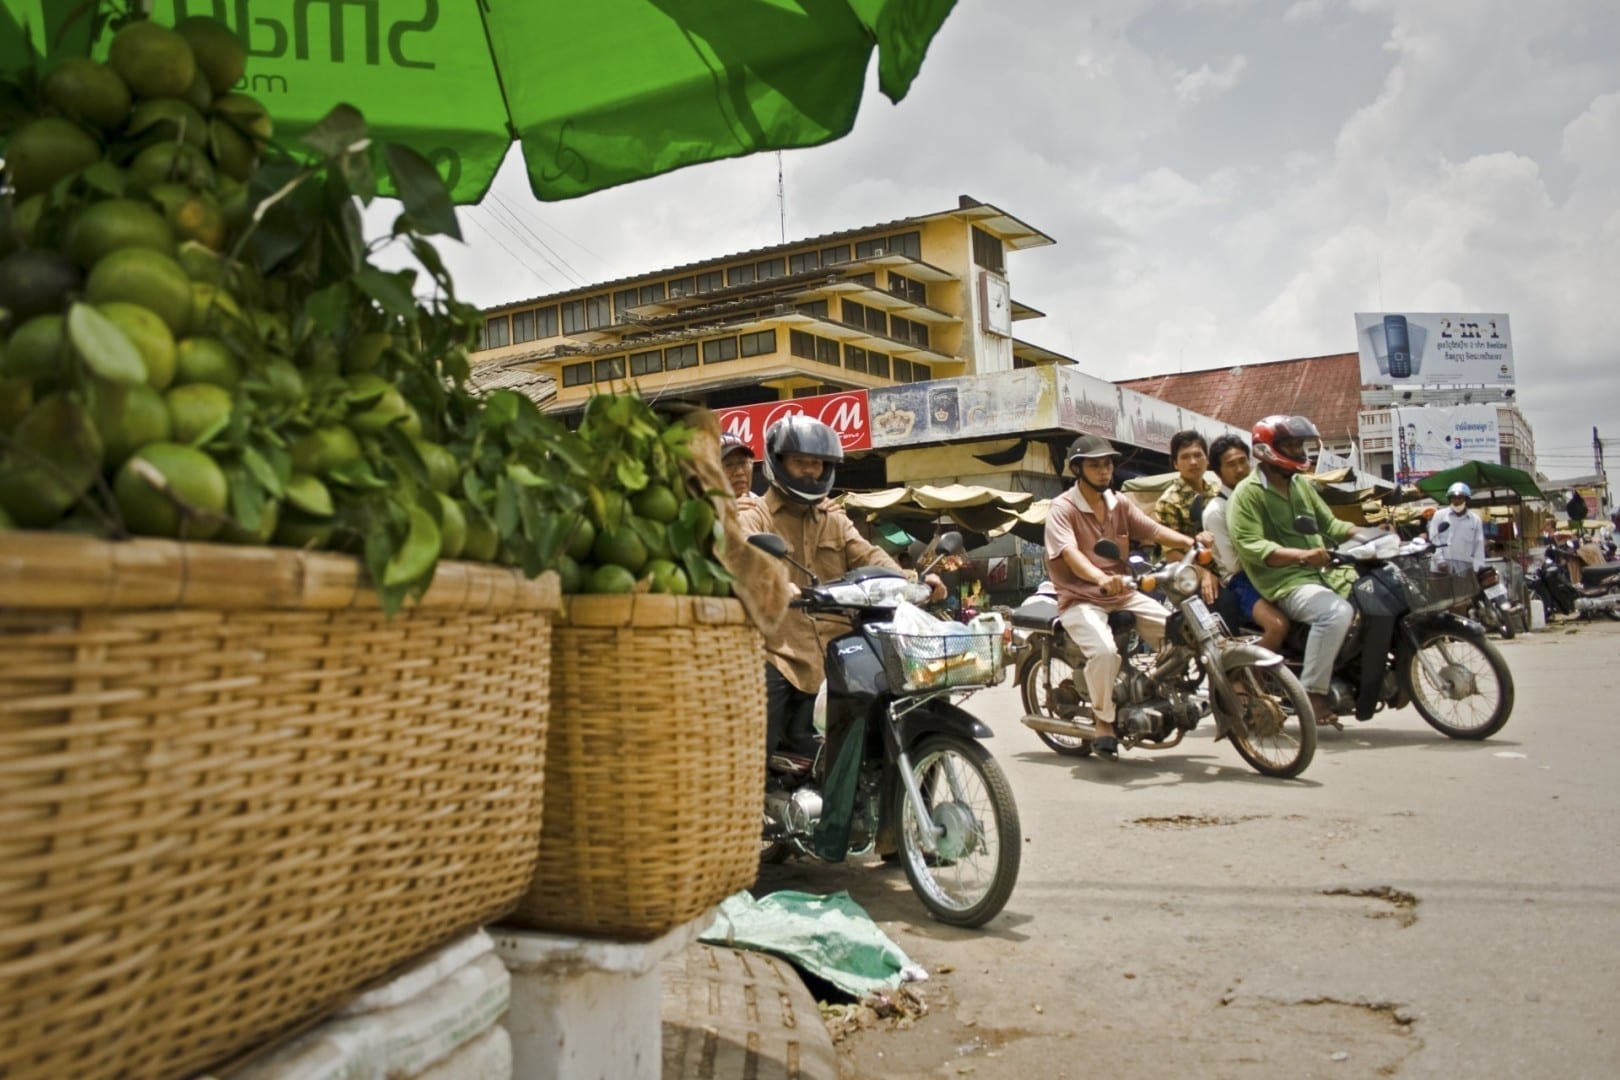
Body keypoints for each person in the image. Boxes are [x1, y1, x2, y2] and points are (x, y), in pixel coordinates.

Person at [736, 416, 942, 756]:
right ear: (778, 461)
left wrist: (914, 582)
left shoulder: (834, 517)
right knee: (753, 743)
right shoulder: (754, 513)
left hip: (841, 648)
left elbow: (869, 555)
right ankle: (745, 801)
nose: (810, 472)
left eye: (817, 464)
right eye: (801, 462)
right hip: (779, 651)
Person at [1043, 434, 1206, 760]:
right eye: (1095, 465)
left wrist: (1192, 544)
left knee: (1184, 631)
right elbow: (1071, 554)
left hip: (1123, 593)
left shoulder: (1120, 503)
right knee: (1104, 653)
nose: (1105, 471)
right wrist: (1101, 577)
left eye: (1108, 464)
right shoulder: (1063, 508)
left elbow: (1155, 531)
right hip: (1080, 598)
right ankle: (1104, 720)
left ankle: (1150, 687)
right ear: (1078, 469)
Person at [1227, 415, 1378, 727]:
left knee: (1376, 596)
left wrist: (1372, 534)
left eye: (1299, 444)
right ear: (1268, 450)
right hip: (1286, 583)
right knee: (1334, 614)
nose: (1298, 451)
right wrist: (1302, 555)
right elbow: (1251, 546)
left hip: (1328, 576)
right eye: (1291, 445)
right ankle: (1312, 691)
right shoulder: (1247, 494)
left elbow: (1331, 525)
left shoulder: (1301, 486)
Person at [1203, 434, 1291, 652]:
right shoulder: (1216, 511)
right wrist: (1272, 556)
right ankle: (1245, 675)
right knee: (1277, 626)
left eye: (1243, 461)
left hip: (1270, 570)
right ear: (1218, 472)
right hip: (1240, 581)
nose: (1240, 469)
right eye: (1231, 464)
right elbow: (1233, 565)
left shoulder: (1260, 498)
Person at [1152, 429, 1221, 608]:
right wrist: (1204, 574)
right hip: (1192, 579)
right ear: (1175, 463)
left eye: (1198, 455)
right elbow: (1173, 555)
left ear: (1207, 459)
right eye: (1185, 457)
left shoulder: (1217, 492)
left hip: (1227, 570)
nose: (1193, 462)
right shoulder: (1168, 502)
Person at [1428, 482, 1486, 576]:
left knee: (1466, 591)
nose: (1456, 501)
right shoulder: (1440, 515)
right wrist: (1440, 561)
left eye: (1460, 498)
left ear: (1466, 499)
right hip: (1440, 570)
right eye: (1453, 498)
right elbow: (1434, 539)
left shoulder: (1475, 520)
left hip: (1464, 570)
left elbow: (1478, 545)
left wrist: (1478, 567)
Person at [720, 432, 757, 502]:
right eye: (729, 465)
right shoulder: (702, 509)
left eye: (743, 463)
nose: (739, 472)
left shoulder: (765, 508)